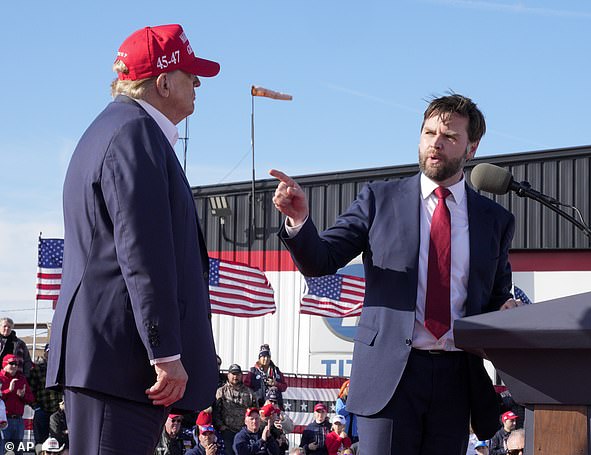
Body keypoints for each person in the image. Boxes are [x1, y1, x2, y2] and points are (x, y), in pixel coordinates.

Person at [270, 93, 522, 455]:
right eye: (429, 132)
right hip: (390, 377)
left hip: (456, 378)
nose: (435, 143)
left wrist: (506, 308)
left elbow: (496, 294)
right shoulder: (378, 199)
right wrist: (299, 221)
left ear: (471, 148)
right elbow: (322, 260)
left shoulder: (494, 220)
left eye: (449, 136)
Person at [45, 23, 221, 454]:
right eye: (189, 73)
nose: (198, 82)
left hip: (109, 361)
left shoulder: (113, 129)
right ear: (162, 82)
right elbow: (143, 251)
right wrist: (164, 352)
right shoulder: (134, 133)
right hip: (121, 363)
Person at [214, 364, 258, 455]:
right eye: (233, 374)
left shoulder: (249, 393)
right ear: (228, 375)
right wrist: (221, 426)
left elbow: (255, 411)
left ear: (241, 375)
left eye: (237, 374)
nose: (235, 376)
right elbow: (216, 412)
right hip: (227, 431)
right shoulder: (221, 391)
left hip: (244, 432)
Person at [29, 343, 63, 445]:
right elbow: (30, 391)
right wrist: (36, 407)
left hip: (58, 412)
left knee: (58, 442)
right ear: (45, 353)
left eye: (54, 352)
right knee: (40, 443)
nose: (51, 354)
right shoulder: (37, 369)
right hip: (42, 410)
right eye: (49, 352)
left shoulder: (62, 369)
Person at [0, 354, 34, 450]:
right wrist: (8, 391)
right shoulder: (0, 378)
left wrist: (23, 396)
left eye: (17, 364)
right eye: (12, 363)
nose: (15, 366)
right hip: (3, 421)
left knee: (18, 451)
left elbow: (31, 398)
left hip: (19, 421)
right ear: (4, 364)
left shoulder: (21, 379)